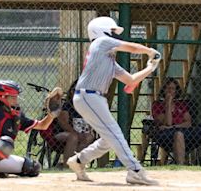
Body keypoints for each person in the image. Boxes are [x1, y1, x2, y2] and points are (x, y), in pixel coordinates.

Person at [67, 16, 160, 185]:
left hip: (94, 98)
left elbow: (131, 80)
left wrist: (150, 67)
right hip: (88, 96)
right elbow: (132, 48)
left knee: (109, 138)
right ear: (101, 31)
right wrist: (149, 51)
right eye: (112, 32)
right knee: (115, 134)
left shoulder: (107, 60)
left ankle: (79, 160)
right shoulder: (100, 42)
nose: (115, 36)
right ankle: (135, 171)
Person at [0, 80, 62, 178]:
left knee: (32, 167)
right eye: (12, 97)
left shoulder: (16, 116)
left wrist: (51, 115)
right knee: (6, 142)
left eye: (16, 97)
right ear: (2, 97)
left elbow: (42, 125)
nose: (16, 101)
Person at [151, 77, 201, 165]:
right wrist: (168, 103)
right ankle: (181, 165)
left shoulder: (181, 104)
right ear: (163, 90)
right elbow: (168, 123)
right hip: (167, 134)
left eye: (173, 89)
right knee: (179, 134)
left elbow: (188, 122)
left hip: (183, 131)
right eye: (168, 88)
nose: (170, 91)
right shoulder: (157, 105)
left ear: (176, 91)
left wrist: (174, 126)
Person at [51, 80, 95, 167]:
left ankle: (75, 163)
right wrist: (76, 133)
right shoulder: (67, 105)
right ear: (71, 92)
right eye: (75, 91)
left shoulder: (85, 106)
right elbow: (63, 123)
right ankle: (66, 165)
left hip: (81, 133)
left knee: (89, 137)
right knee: (73, 137)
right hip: (61, 133)